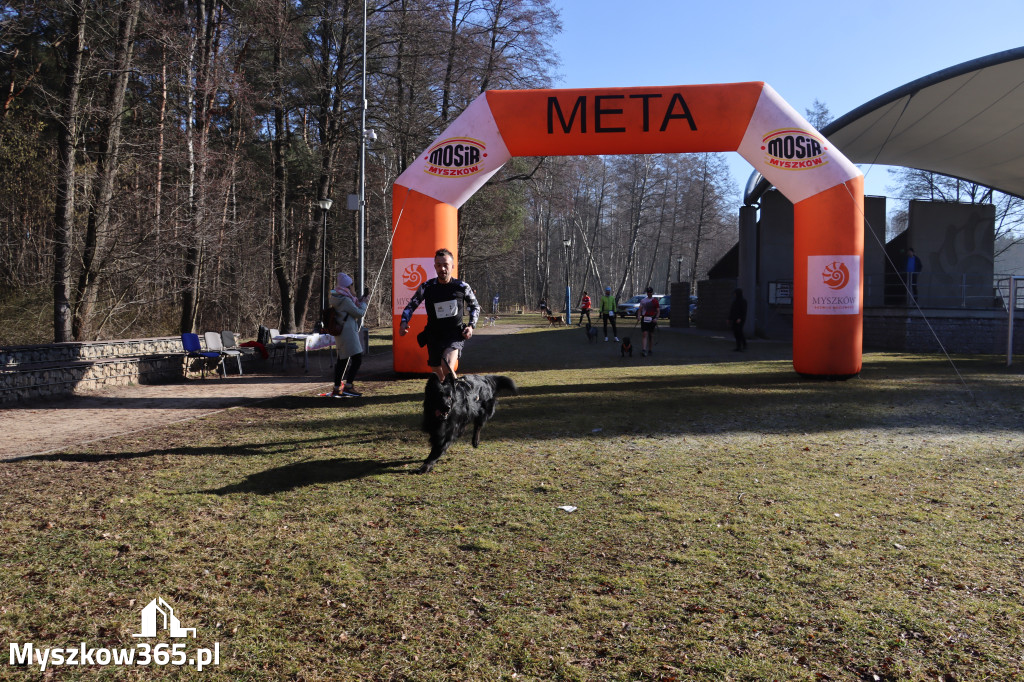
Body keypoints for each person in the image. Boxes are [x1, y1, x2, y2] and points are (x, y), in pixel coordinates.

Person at [399, 248, 480, 381]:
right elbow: (411, 305)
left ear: (452, 266)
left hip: (454, 334)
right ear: (435, 266)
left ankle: (457, 395)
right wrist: (403, 321)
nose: (442, 268)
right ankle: (447, 396)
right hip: (434, 335)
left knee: (447, 365)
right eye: (439, 265)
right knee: (438, 374)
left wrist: (471, 326)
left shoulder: (462, 286)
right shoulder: (427, 287)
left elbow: (474, 306)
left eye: (445, 265)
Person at [329, 272, 369, 397]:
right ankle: (349, 385)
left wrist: (359, 301)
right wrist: (364, 303)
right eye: (351, 285)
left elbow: (352, 308)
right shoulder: (346, 300)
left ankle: (337, 387)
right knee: (357, 358)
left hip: (341, 333)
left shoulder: (337, 297)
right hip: (348, 333)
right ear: (347, 287)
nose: (353, 287)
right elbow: (358, 313)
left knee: (342, 359)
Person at [637, 286, 660, 357]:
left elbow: (658, 311)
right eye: (648, 292)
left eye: (650, 292)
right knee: (644, 333)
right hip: (644, 318)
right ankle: (644, 350)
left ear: (652, 293)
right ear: (647, 293)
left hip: (652, 319)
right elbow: (640, 309)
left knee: (651, 335)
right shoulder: (643, 301)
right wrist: (638, 316)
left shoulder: (655, 301)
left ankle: (650, 349)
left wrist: (656, 318)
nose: (649, 294)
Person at [729, 287, 748, 352]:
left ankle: (742, 345)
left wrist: (740, 318)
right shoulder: (735, 301)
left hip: (740, 319)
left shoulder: (743, 301)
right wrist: (729, 318)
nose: (734, 295)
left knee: (739, 332)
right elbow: (732, 310)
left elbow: (743, 311)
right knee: (736, 332)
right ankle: (739, 345)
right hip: (735, 318)